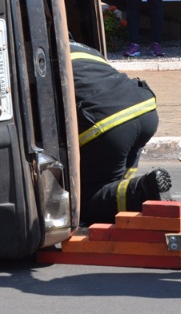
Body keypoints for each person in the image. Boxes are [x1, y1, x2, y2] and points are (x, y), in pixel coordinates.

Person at [70, 41, 170, 225]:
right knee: (115, 183)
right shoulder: (86, 48)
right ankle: (137, 190)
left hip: (108, 121)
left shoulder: (44, 52)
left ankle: (143, 189)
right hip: (143, 108)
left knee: (87, 201)